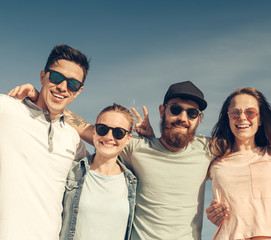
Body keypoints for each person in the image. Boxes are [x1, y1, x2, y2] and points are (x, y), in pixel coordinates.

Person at [62, 80, 212, 240]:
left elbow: (240, 148)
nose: (183, 117)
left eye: (192, 113)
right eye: (175, 109)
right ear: (162, 111)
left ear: (199, 118)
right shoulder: (134, 146)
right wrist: (40, 98)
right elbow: (90, 129)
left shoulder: (208, 148)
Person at [0, 44, 89, 240]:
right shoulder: (6, 108)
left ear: (79, 90)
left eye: (73, 84)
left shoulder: (72, 138)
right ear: (43, 76)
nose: (63, 87)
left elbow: (104, 159)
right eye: (57, 77)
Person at [207, 88, 271, 240]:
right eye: (235, 113)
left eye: (250, 112)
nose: (242, 117)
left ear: (260, 120)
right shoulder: (214, 159)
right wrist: (212, 213)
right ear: (228, 118)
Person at [60, 103, 137, 240]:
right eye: (103, 129)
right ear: (94, 131)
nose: (108, 137)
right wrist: (38, 96)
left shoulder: (133, 182)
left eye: (118, 132)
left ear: (128, 139)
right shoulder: (71, 172)